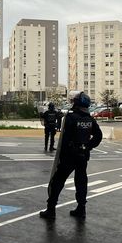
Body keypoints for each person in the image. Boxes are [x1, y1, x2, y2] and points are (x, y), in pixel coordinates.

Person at [40, 91, 103, 220]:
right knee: (81, 182)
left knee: (58, 181)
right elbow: (98, 136)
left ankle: (51, 209)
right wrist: (88, 146)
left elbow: (64, 138)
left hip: (69, 155)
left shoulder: (71, 117)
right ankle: (81, 209)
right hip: (83, 156)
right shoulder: (90, 119)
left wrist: (61, 157)